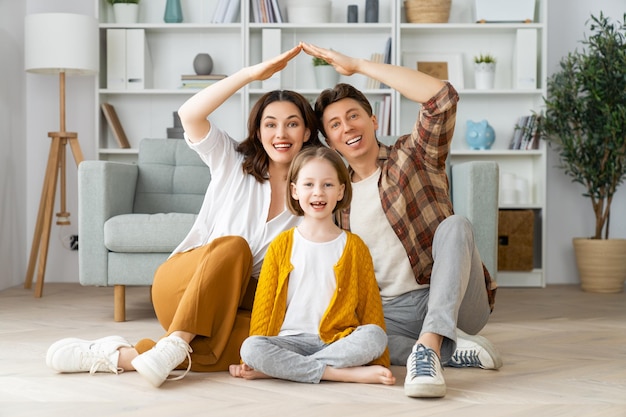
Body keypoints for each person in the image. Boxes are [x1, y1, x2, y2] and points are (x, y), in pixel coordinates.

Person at [45, 45, 324, 388]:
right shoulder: (232, 161)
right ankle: (176, 340)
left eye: (292, 124)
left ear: (307, 133)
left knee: (263, 344)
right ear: (258, 131)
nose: (281, 134)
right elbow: (190, 114)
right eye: (271, 124)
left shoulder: (316, 194)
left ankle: (124, 355)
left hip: (231, 304)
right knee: (235, 247)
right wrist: (251, 74)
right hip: (183, 284)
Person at [301, 42, 501, 398]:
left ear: (373, 120)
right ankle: (444, 351)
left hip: (449, 297)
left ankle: (429, 344)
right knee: (341, 332)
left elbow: (442, 98)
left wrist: (359, 65)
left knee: (456, 226)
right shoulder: (335, 195)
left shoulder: (414, 154)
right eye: (334, 124)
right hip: (389, 312)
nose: (346, 126)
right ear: (329, 140)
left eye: (353, 115)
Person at [229, 147, 395, 385]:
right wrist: (255, 359)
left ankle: (287, 369)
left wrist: (379, 360)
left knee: (375, 336)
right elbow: (263, 309)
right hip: (290, 341)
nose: (318, 192)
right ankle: (337, 373)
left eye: (327, 185)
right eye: (309, 185)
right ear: (295, 191)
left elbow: (371, 309)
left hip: (337, 341)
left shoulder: (355, 247)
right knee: (251, 347)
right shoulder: (281, 245)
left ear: (341, 191)